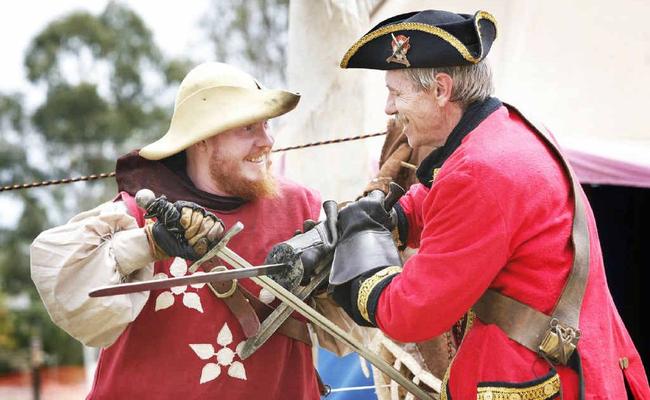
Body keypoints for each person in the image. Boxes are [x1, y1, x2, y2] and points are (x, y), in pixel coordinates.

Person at [328, 9, 650, 399]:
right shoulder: (506, 128)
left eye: (397, 93)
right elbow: (445, 199)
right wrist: (393, 216)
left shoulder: (480, 172)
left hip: (536, 378)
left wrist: (361, 276)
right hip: (579, 367)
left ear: (441, 90)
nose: (389, 109)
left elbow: (410, 312)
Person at [30, 62, 325, 399]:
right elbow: (57, 278)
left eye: (266, 125)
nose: (267, 141)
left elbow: (351, 324)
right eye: (247, 128)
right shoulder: (140, 211)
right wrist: (149, 243)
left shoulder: (302, 208)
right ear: (201, 139)